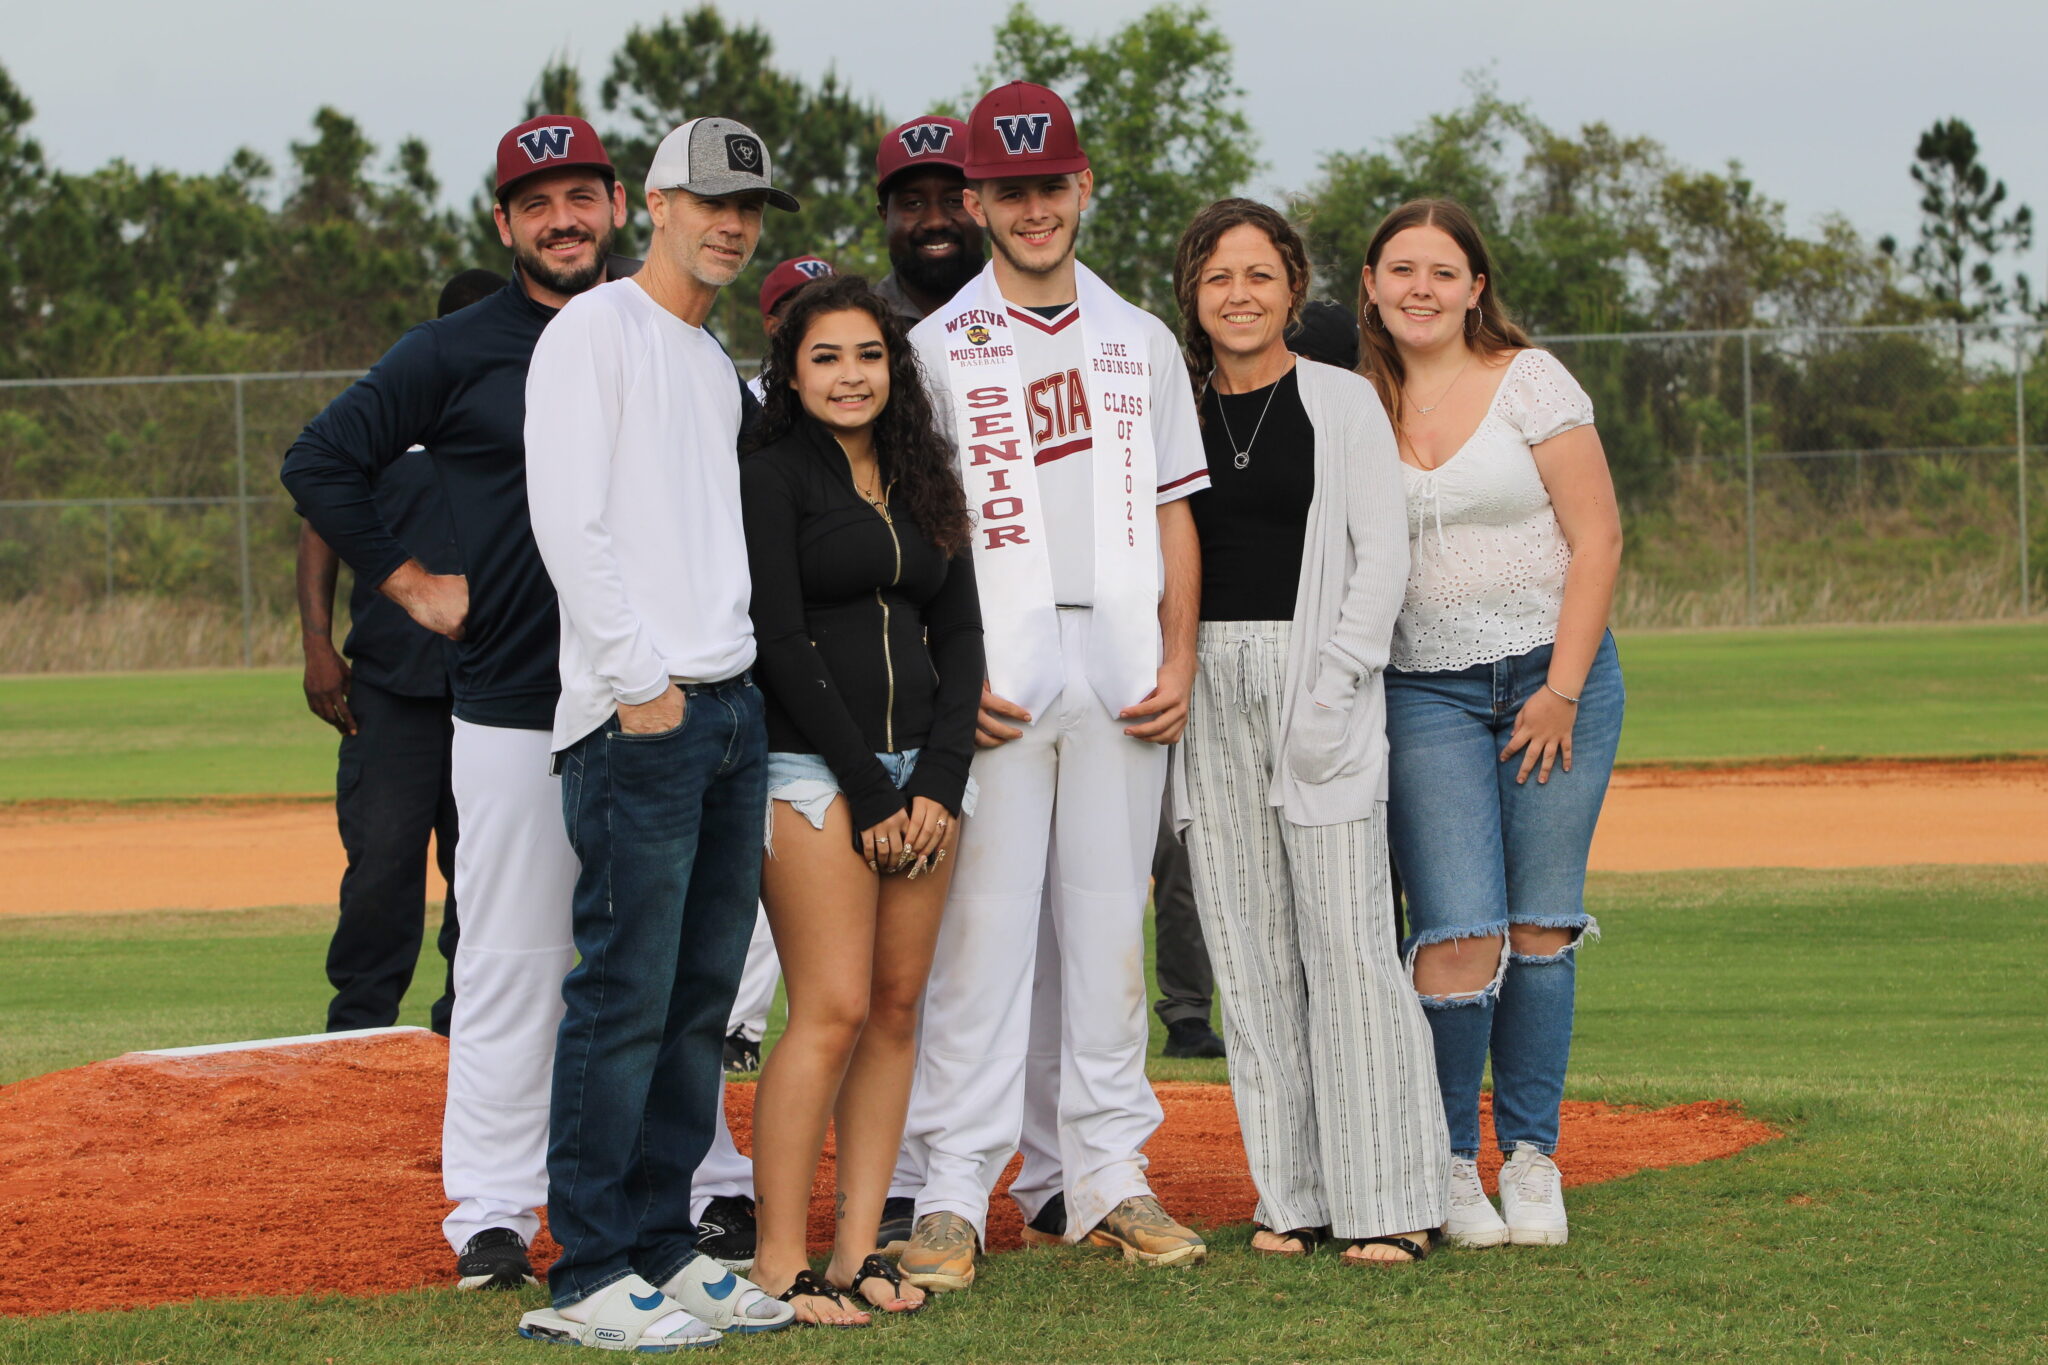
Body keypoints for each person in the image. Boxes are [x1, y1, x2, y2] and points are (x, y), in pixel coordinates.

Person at [282, 117, 629, 1294]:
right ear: (504, 224)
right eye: (537, 203)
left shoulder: (662, 331)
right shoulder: (458, 346)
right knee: (505, 958)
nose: (562, 218)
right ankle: (489, 1210)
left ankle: (688, 1186)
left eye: (581, 194)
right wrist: (407, 581)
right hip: (513, 700)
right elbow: (319, 460)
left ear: (617, 205)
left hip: (648, 700)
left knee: (659, 959)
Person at [896, 81, 1210, 1291]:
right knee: (978, 939)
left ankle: (1107, 1178)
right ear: (976, 200)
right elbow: (918, 528)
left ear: (1083, 187)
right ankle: (951, 1191)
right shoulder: (932, 347)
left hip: (1123, 659)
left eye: (1051, 185)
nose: (1034, 208)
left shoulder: (1139, 339)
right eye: (1009, 190)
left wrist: (1177, 656)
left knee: (1103, 935)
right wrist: (938, 671)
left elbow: (1179, 509)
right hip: (997, 665)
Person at [514, 116, 801, 1353]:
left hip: (725, 705)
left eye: (748, 207)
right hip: (646, 713)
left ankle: (661, 1246)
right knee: (623, 994)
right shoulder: (594, 331)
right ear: (652, 205)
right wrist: (641, 683)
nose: (730, 224)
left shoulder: (704, 358)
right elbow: (567, 523)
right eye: (708, 202)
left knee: (696, 1004)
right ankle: (584, 1267)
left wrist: (714, 692)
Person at [1170, 198, 1448, 1265]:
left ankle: (1390, 1199)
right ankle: (1293, 1197)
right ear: (1192, 298)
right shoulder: (1179, 411)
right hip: (1208, 683)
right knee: (1246, 952)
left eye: (1258, 274)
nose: (1238, 295)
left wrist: (1333, 685)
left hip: (1315, 673)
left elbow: (1379, 559)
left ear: (1292, 286)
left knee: (1345, 943)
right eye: (1215, 278)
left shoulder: (1338, 400)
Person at [1360, 198, 1625, 1249]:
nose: (1418, 287)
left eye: (1440, 270)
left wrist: (1558, 690)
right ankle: (1443, 1163)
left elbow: (1595, 539)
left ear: (1475, 286)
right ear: (1371, 285)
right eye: (1398, 269)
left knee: (1539, 927)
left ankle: (1528, 1157)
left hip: (1550, 682)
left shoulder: (1531, 380)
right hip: (1421, 687)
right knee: (1456, 938)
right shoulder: (1352, 399)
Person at [740, 273, 983, 1323]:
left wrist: (936, 781)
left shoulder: (925, 472)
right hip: (812, 776)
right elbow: (779, 645)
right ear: (791, 374)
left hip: (920, 781)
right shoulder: (770, 475)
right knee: (829, 1010)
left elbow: (964, 637)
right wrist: (867, 790)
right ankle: (777, 1262)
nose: (851, 375)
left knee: (893, 1013)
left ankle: (855, 1252)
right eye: (826, 357)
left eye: (869, 355)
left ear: (896, 367)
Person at [297, 273, 487, 1038]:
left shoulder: (539, 414)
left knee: (485, 879)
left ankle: (464, 1033)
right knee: (381, 867)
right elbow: (320, 520)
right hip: (389, 684)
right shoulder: (393, 413)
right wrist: (316, 644)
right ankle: (359, 1033)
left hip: (496, 688)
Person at [872, 115, 985, 322]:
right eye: (913, 203)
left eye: (954, 201)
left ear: (983, 207)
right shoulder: (859, 323)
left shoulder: (1029, 308)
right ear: (884, 215)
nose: (936, 221)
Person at [745, 254, 836, 403]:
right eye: (809, 310)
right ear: (773, 327)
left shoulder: (872, 385)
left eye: (837, 304)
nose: (829, 318)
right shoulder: (750, 404)